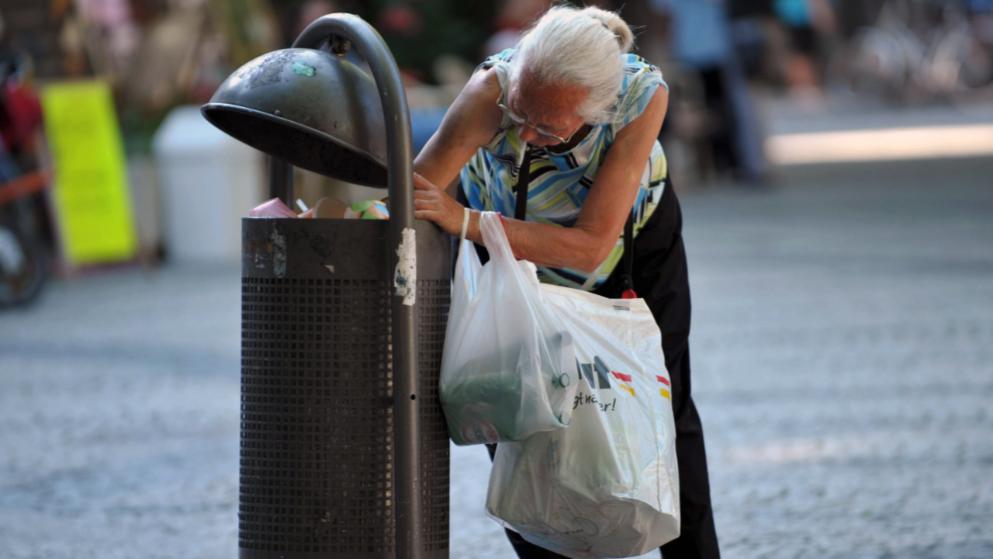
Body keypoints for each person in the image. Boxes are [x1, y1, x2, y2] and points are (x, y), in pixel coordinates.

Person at [412, 5, 719, 558]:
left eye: (548, 127)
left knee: (664, 401)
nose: (525, 134)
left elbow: (589, 246)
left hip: (629, 252)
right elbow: (417, 195)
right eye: (521, 112)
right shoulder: (493, 88)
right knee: (511, 401)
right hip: (508, 256)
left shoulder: (640, 97)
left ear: (597, 109)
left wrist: (467, 222)